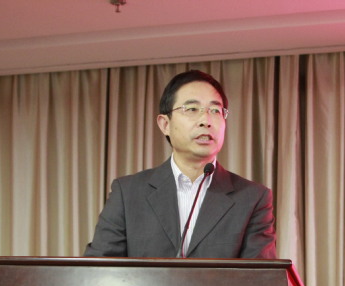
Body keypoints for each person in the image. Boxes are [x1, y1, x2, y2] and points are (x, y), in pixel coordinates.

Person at [84, 70, 276, 259]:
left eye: (215, 111)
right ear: (165, 124)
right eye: (192, 109)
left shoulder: (253, 198)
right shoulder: (128, 193)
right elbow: (98, 270)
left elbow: (259, 276)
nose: (206, 121)